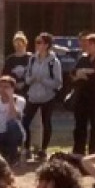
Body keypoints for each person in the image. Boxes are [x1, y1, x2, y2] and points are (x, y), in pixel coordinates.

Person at [21, 32, 62, 161]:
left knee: (46, 122)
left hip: (47, 97)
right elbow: (27, 78)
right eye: (36, 42)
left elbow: (58, 82)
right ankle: (27, 148)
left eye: (39, 42)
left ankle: (43, 150)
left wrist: (43, 80)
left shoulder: (54, 62)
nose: (37, 45)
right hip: (33, 95)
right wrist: (31, 79)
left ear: (47, 45)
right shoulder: (32, 59)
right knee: (25, 121)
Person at [71, 34, 95, 155]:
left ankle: (94, 151)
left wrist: (86, 71)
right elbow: (73, 72)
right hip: (82, 95)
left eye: (91, 44)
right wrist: (79, 73)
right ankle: (78, 150)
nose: (88, 47)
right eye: (87, 44)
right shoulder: (83, 58)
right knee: (80, 124)